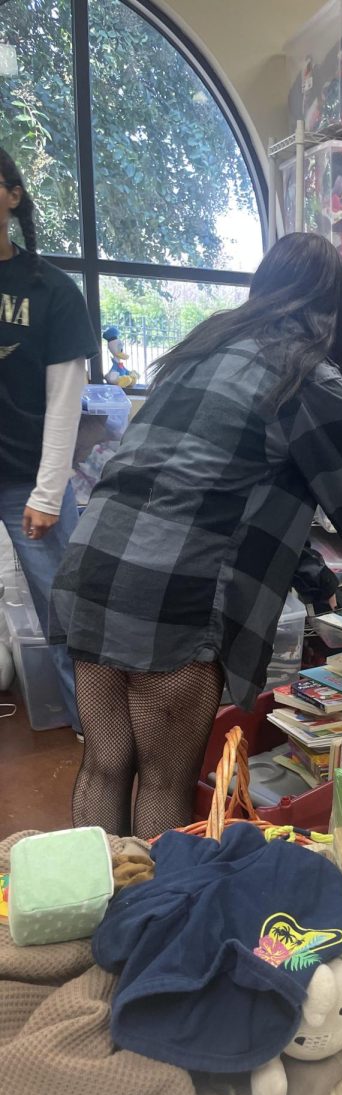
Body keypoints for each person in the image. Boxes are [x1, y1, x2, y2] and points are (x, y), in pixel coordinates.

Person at [50, 233, 342, 839]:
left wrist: (313, 579)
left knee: (105, 764)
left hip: (91, 570)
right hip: (171, 600)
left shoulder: (203, 351)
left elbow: (222, 491)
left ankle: (101, 915)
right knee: (163, 781)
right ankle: (152, 919)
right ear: (333, 307)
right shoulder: (308, 377)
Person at [0, 146, 98, 736]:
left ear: (11, 194)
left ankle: (94, 728)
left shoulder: (51, 290)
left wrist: (49, 490)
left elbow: (65, 401)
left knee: (66, 613)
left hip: (24, 483)